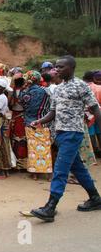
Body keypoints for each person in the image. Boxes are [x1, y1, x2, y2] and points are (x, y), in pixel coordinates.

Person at [30, 56, 101, 222]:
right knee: (78, 168)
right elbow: (53, 112)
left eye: (61, 67)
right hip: (60, 133)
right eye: (56, 67)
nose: (57, 70)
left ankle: (50, 207)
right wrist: (40, 121)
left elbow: (95, 108)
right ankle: (95, 198)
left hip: (73, 132)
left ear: (71, 68)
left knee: (60, 170)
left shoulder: (80, 85)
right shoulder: (58, 88)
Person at [20, 71, 52, 180]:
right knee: (45, 148)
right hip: (44, 122)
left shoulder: (26, 93)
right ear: (38, 80)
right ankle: (47, 173)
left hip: (30, 122)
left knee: (33, 148)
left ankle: (35, 174)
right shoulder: (46, 91)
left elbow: (21, 103)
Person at [9, 72, 27, 171]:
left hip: (18, 116)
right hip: (18, 115)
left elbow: (10, 105)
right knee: (18, 138)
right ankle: (18, 161)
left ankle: (19, 162)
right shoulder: (23, 91)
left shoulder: (18, 91)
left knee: (18, 138)